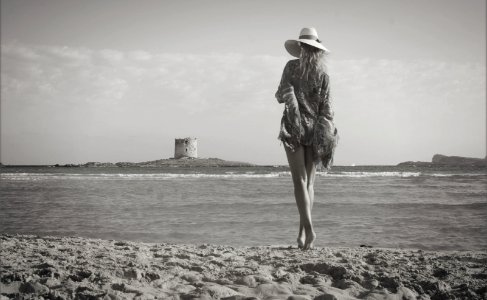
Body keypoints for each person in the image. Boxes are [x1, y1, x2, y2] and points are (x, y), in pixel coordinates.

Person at [275, 27, 338, 250]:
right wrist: (325, 134)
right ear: (318, 51)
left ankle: (308, 231)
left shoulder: (291, 67)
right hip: (315, 131)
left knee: (299, 181)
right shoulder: (323, 76)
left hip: (293, 128)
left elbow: (279, 95)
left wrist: (291, 97)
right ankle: (302, 236)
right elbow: (327, 110)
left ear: (301, 47)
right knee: (310, 183)